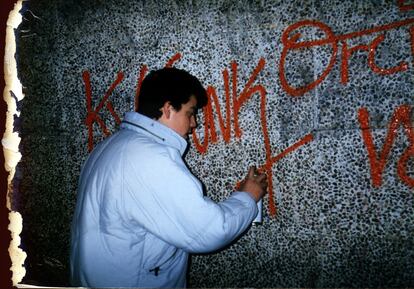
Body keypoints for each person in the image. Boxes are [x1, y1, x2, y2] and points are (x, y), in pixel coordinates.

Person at [70, 67, 268, 288]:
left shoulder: (110, 145)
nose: (194, 124)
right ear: (167, 109)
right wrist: (248, 198)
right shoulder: (151, 159)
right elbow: (209, 230)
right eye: (190, 113)